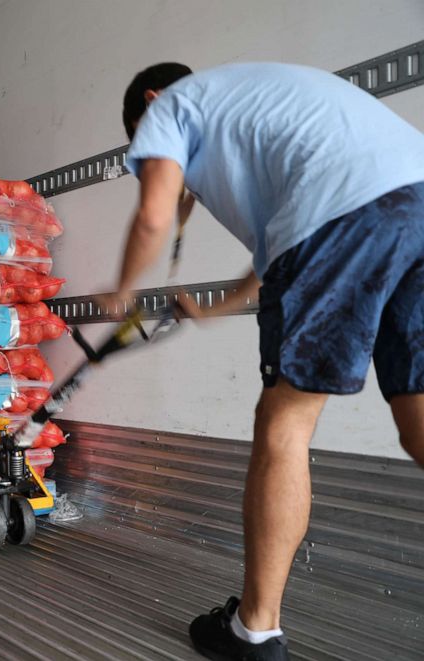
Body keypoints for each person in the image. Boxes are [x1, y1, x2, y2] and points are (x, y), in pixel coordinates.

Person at [112, 61, 424, 660]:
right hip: (415, 206)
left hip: (344, 218)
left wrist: (120, 292)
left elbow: (154, 215)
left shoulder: (173, 105)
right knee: (419, 423)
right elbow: (281, 256)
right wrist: (214, 308)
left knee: (284, 426)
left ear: (151, 102)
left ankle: (254, 632)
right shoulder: (259, 110)